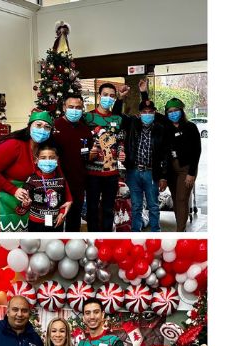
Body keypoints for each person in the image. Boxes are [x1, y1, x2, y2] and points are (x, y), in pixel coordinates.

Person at [137, 79, 201, 232]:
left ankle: (180, 231)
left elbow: (197, 151)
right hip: (171, 169)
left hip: (186, 168)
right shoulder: (165, 124)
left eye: (176, 110)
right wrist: (144, 92)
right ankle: (181, 228)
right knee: (176, 198)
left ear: (181, 111)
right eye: (170, 111)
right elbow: (148, 110)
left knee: (181, 199)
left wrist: (191, 174)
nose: (173, 114)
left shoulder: (191, 127)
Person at [0, 111, 54, 231]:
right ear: (30, 126)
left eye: (47, 127)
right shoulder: (13, 145)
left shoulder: (44, 150)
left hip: (16, 199)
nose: (42, 130)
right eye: (38, 125)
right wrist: (14, 190)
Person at [84, 83, 126, 232]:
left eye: (112, 96)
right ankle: (92, 239)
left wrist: (122, 151)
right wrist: (87, 153)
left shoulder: (117, 119)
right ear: (99, 96)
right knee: (92, 209)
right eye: (105, 95)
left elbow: (120, 140)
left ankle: (107, 238)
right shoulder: (87, 117)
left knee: (109, 209)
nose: (108, 98)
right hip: (92, 173)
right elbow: (81, 140)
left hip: (112, 173)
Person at [122, 99, 170, 232]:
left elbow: (166, 154)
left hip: (151, 172)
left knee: (153, 206)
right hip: (134, 171)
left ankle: (155, 232)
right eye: (144, 112)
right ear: (139, 113)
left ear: (154, 113)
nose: (147, 114)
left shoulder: (160, 129)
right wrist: (121, 98)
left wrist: (163, 176)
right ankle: (135, 233)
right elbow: (117, 115)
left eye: (150, 112)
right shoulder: (132, 124)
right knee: (136, 205)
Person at [51, 94, 92, 232]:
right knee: (55, 217)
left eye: (78, 107)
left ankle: (72, 245)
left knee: (74, 219)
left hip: (78, 182)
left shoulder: (84, 129)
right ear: (64, 108)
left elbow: (88, 153)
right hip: (56, 181)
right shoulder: (54, 127)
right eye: (71, 107)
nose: (75, 110)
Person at [24, 140, 72, 231]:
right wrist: (25, 203)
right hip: (36, 222)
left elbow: (65, 201)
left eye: (52, 158)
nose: (48, 161)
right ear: (36, 160)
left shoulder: (61, 179)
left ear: (57, 159)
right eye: (43, 158)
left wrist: (61, 213)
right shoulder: (31, 179)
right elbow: (25, 201)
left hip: (56, 221)